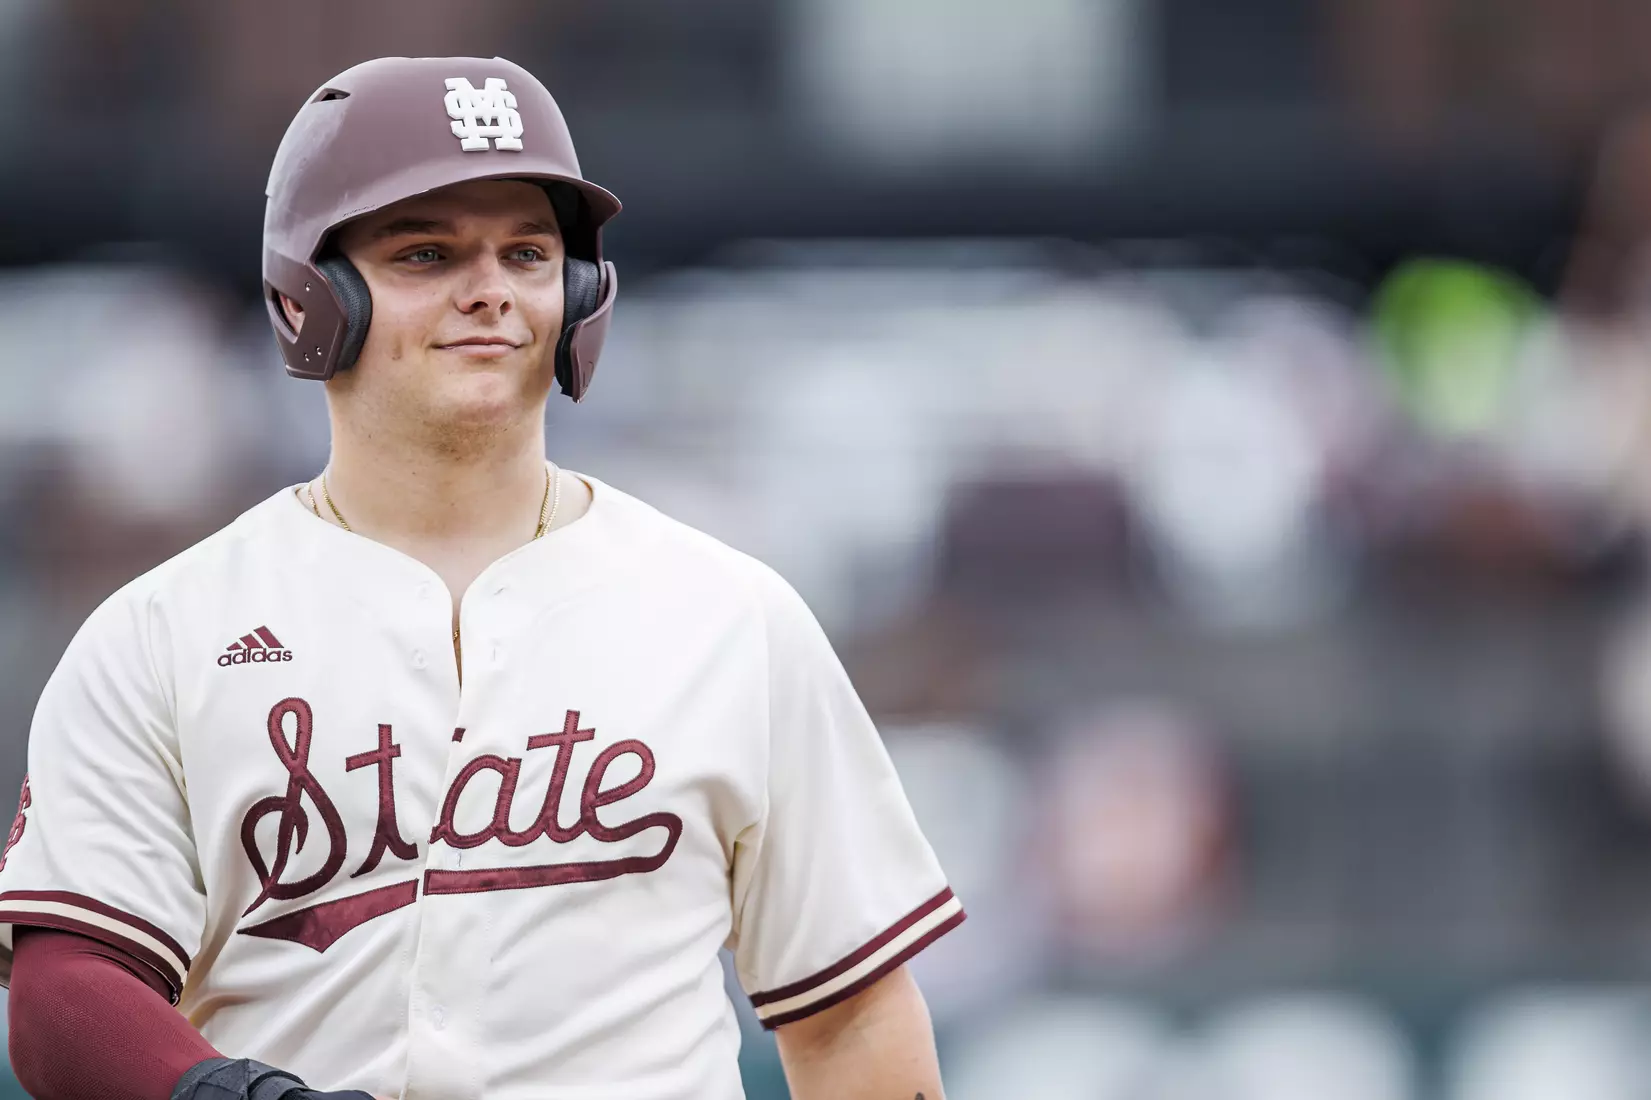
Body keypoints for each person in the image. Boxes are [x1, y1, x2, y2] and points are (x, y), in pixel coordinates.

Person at [0, 56, 962, 1100]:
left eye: (527, 251)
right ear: (312, 293)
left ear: (581, 289)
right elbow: (63, 990)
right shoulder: (163, 633)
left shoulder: (731, 615)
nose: (491, 289)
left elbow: (853, 1010)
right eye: (428, 251)